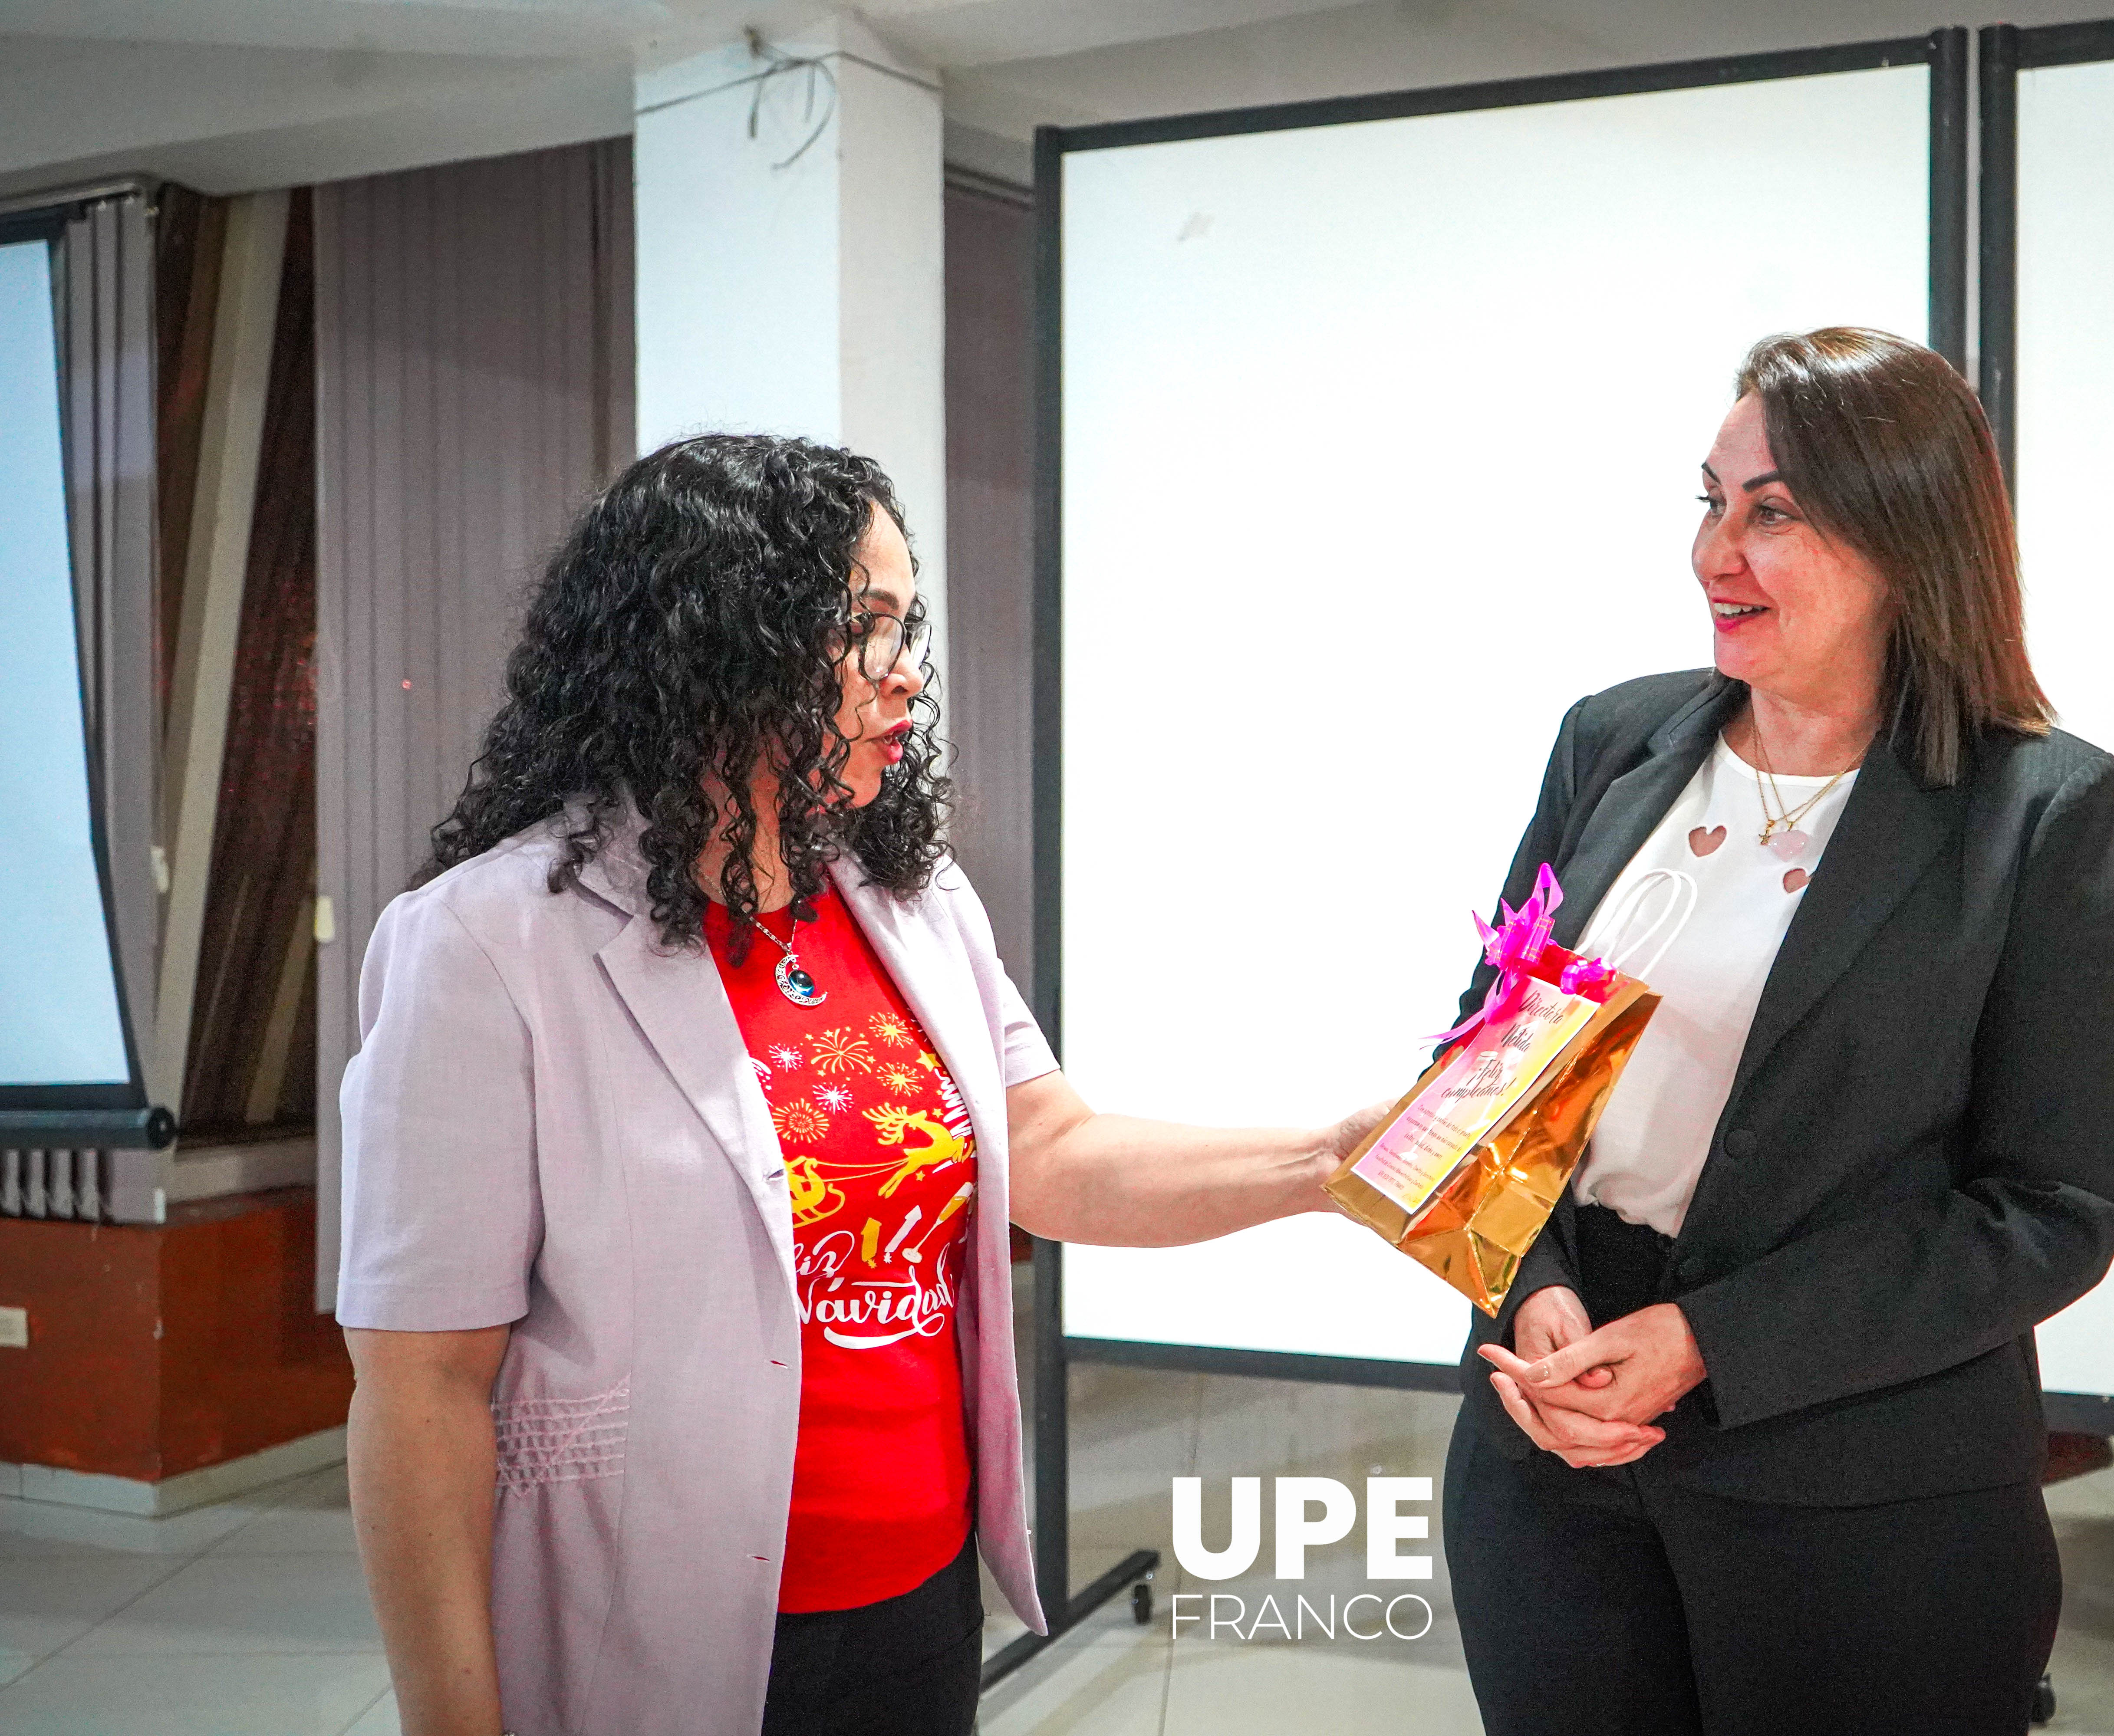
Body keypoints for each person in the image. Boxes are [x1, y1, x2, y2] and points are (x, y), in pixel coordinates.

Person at [336, 435, 1375, 1736]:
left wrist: (1330, 1164)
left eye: (906, 626)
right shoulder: (486, 944)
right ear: (724, 644)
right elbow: (422, 1389)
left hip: (918, 1600)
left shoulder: (908, 897)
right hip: (648, 1616)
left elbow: (1050, 1151)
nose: (908, 673)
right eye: (865, 627)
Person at [1442, 329, 2114, 1735]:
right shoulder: (1612, 743)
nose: (1716, 553)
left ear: (1906, 538)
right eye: (1711, 502)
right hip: (1550, 1454)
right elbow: (1483, 1064)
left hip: (1860, 1488)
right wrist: (1532, 1289)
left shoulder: (2036, 809)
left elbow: (2054, 1207)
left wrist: (1708, 1339)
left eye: (1772, 513)